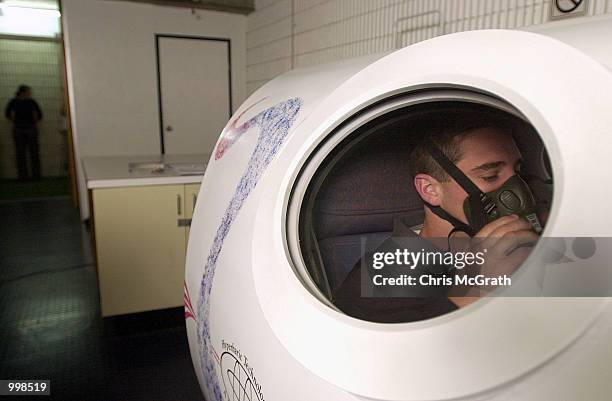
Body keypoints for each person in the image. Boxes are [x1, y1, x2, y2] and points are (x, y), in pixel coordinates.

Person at [332, 110, 542, 323]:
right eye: (490, 176)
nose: (520, 192)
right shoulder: (373, 284)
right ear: (431, 190)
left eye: (519, 172)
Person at [5, 85, 43, 181]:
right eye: (29, 92)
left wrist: (35, 122)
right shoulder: (15, 102)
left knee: (33, 153)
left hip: (26, 128)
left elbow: (39, 114)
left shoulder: (31, 102)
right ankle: (23, 176)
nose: (30, 94)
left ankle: (35, 175)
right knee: (21, 154)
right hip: (21, 129)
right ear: (23, 92)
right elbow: (7, 113)